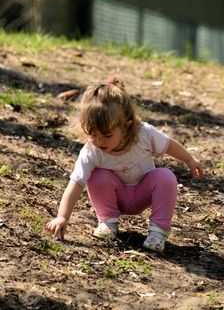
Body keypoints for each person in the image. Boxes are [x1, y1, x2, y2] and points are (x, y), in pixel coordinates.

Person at [46, 78, 203, 253]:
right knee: (98, 176)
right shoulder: (91, 151)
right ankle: (108, 222)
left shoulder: (143, 133)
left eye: (106, 135)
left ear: (127, 126)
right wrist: (62, 217)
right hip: (115, 196)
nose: (99, 141)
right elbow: (75, 183)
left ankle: (158, 232)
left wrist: (189, 160)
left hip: (143, 191)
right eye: (92, 134)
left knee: (165, 176)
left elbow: (168, 145)